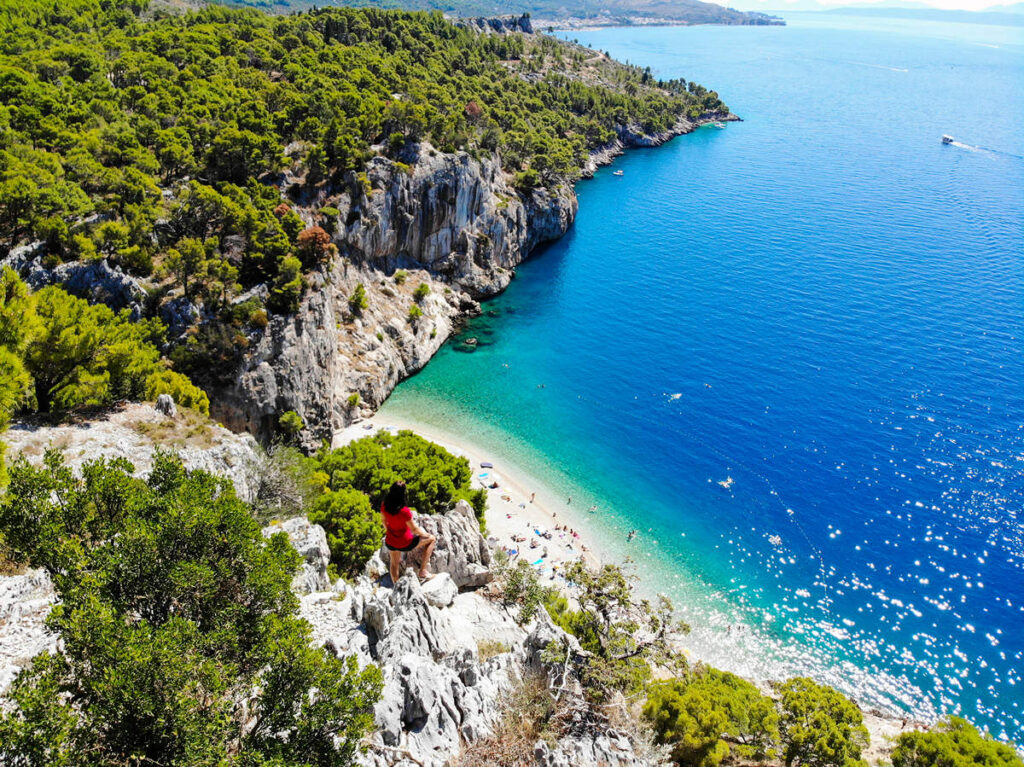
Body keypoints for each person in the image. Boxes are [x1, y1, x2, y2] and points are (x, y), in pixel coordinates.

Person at [381, 481, 436, 585]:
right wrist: (425, 535)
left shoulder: (384, 506)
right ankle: (423, 571)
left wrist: (390, 531)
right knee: (432, 539)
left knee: (394, 564)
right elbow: (414, 529)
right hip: (406, 543)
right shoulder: (404, 511)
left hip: (391, 541)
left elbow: (383, 521)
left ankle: (397, 587)